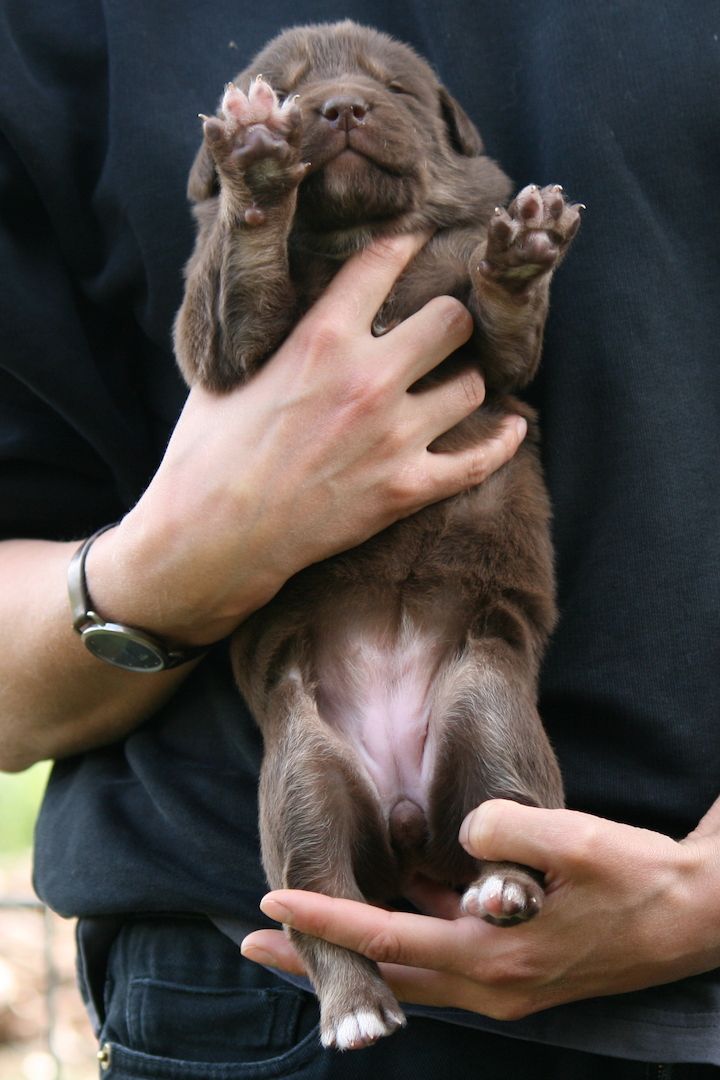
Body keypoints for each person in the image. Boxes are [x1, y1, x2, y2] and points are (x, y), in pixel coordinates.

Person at [1, 1, 718, 1077]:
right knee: (305, 746)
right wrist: (176, 560)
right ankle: (342, 964)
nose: (339, 101)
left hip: (690, 952)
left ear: (454, 130)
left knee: (484, 694)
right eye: (290, 95)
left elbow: (506, 355)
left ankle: (506, 865)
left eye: (387, 88)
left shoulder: (466, 237)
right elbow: (226, 347)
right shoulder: (49, 32)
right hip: (236, 997)